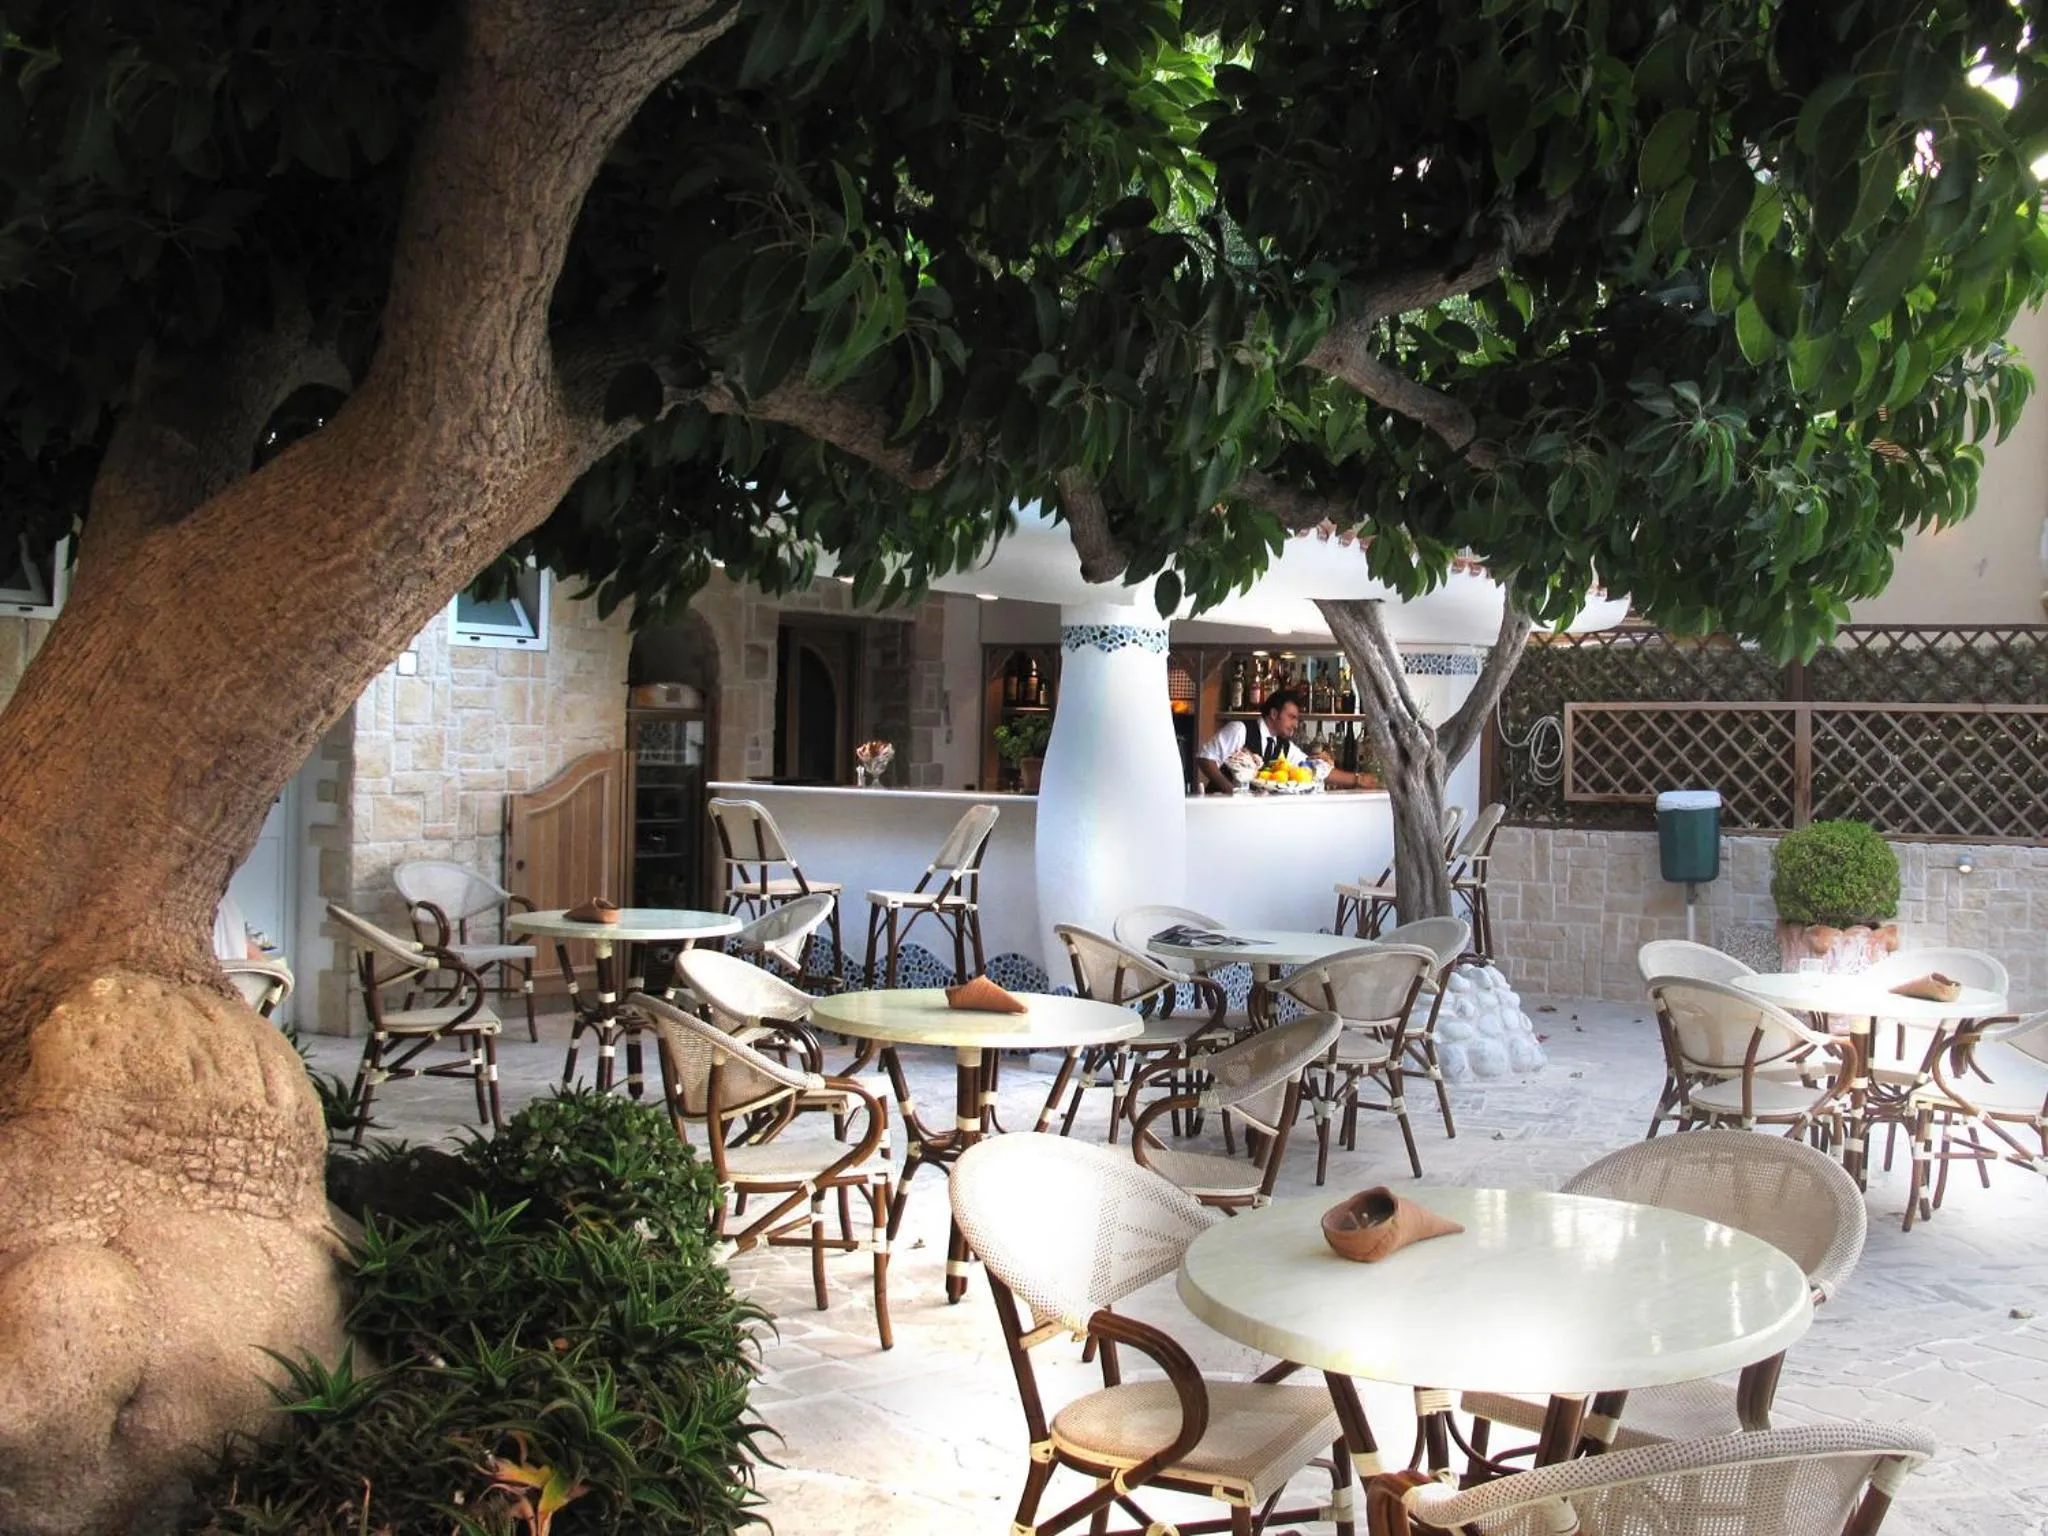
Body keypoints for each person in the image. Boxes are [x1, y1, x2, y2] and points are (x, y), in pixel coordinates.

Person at [1195, 689, 1370, 793]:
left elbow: (1315, 770)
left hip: (1250, 816)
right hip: (1219, 809)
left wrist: (1358, 780)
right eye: (1292, 717)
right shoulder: (1240, 729)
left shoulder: (1283, 746)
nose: (1295, 724)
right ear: (1273, 714)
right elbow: (1205, 758)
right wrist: (1230, 791)